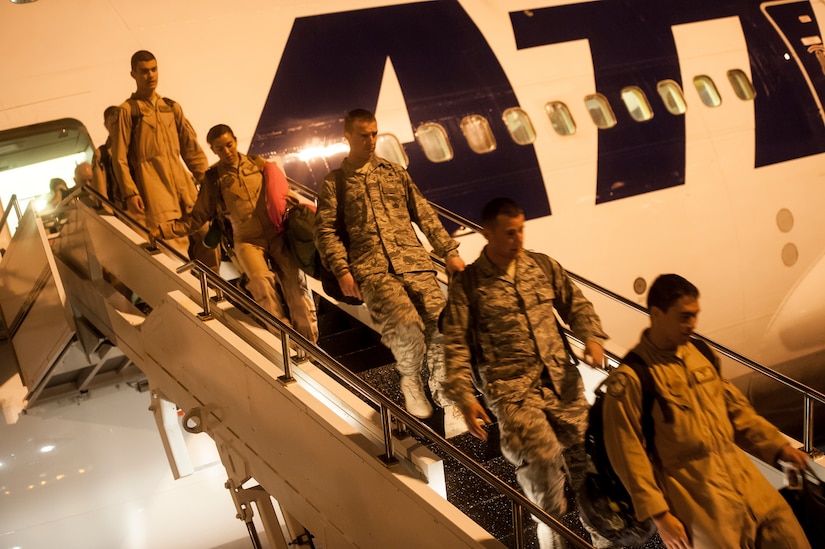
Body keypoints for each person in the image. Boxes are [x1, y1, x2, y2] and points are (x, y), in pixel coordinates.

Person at [440, 197, 610, 549]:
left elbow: (575, 304)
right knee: (544, 459)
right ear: (487, 233)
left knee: (590, 466)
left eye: (521, 231)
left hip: (561, 384)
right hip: (512, 394)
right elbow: (455, 344)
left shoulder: (543, 267)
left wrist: (592, 337)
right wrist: (464, 396)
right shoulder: (469, 286)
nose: (518, 240)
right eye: (509, 233)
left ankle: (604, 537)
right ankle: (551, 537)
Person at [602, 274, 811, 549]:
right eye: (684, 316)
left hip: (748, 485)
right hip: (699, 503)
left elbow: (737, 410)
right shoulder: (632, 379)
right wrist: (661, 516)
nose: (692, 324)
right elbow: (629, 457)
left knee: (792, 540)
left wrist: (778, 447)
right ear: (656, 314)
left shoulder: (701, 354)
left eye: (695, 315)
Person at [314, 108, 465, 419]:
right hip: (373, 270)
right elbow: (325, 231)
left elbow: (423, 214)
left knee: (442, 326)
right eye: (363, 135)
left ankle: (442, 390)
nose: (371, 141)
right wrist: (342, 269)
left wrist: (449, 252)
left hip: (414, 262)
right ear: (348, 137)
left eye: (374, 134)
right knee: (407, 328)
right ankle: (411, 379)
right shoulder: (335, 183)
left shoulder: (395, 173)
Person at [150, 124, 317, 343]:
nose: (226, 152)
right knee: (260, 281)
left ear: (236, 141)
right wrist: (163, 231)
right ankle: (284, 338)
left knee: (296, 286)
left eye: (229, 145)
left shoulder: (259, 165)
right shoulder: (214, 179)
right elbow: (196, 218)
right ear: (214, 151)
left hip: (277, 236)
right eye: (220, 149)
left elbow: (280, 194)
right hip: (247, 241)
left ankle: (309, 342)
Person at [110, 50, 218, 269]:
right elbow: (119, 157)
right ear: (133, 74)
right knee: (172, 244)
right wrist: (130, 192)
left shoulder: (171, 107)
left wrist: (208, 181)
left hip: (183, 184)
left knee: (207, 235)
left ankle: (214, 291)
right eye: (144, 71)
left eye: (154, 69)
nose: (150, 75)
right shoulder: (127, 111)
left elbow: (191, 149)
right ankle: (189, 298)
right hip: (154, 186)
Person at [91, 105, 124, 209]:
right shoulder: (101, 155)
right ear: (106, 125)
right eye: (113, 124)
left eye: (120, 122)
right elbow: (101, 192)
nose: (117, 127)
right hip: (121, 211)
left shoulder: (136, 146)